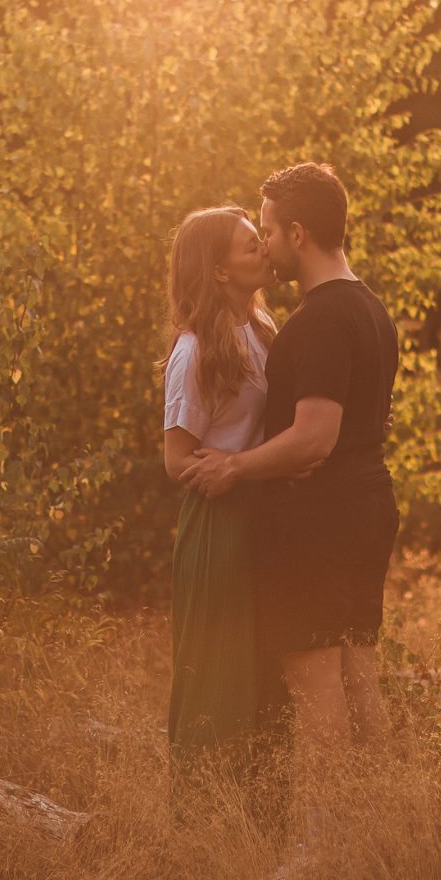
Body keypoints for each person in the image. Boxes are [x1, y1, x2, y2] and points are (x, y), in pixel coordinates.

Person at [180, 162, 400, 849]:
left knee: (318, 695)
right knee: (362, 683)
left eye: (269, 229)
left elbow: (313, 440)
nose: (265, 244)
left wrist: (236, 466)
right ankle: (383, 833)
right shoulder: (370, 308)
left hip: (318, 524)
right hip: (366, 512)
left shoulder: (317, 324)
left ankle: (324, 849)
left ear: (298, 233)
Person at [160, 205, 278, 778]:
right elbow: (176, 458)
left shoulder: (262, 330)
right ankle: (203, 806)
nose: (265, 250)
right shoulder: (195, 350)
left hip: (263, 510)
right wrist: (232, 465)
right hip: (218, 522)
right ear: (220, 272)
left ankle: (259, 806)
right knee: (217, 668)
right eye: (250, 245)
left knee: (261, 665)